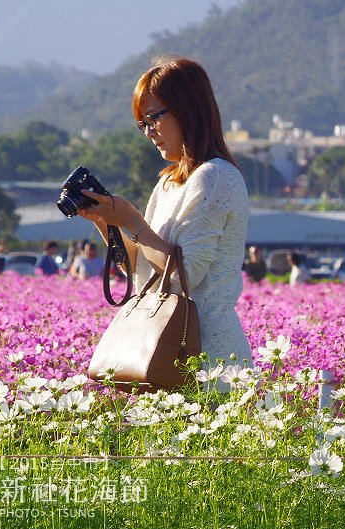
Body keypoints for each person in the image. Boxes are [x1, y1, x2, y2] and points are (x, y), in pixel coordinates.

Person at [78, 56, 253, 378]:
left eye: (153, 119)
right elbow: (142, 270)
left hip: (206, 357)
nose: (148, 132)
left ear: (187, 109)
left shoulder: (215, 176)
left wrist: (132, 220)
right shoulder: (169, 183)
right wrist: (107, 222)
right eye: (142, 124)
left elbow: (185, 273)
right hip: (163, 350)